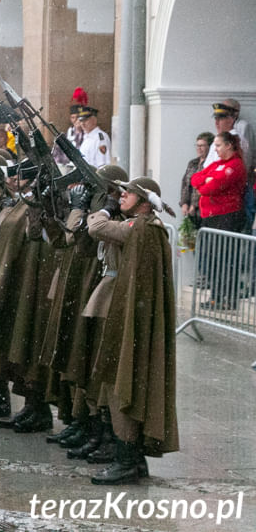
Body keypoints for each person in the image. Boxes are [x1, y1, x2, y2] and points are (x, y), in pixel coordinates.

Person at [88, 176, 178, 485]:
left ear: (143, 201)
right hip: (133, 318)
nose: (122, 196)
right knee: (126, 384)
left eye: (128, 194)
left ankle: (126, 460)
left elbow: (95, 228)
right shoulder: (144, 229)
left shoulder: (140, 229)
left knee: (122, 385)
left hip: (132, 320)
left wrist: (102, 209)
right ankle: (133, 459)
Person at [190, 131, 247, 309]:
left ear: (229, 145)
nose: (215, 149)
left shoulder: (235, 165)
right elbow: (195, 178)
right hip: (211, 217)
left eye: (218, 145)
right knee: (212, 259)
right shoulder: (217, 164)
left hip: (227, 217)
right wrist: (206, 179)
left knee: (225, 259)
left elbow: (212, 187)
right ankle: (215, 296)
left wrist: (207, 182)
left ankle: (227, 298)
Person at [179, 132, 213, 224]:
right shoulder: (192, 163)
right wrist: (184, 203)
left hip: (203, 210)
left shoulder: (210, 164)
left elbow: (205, 188)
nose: (199, 148)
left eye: (202, 146)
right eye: (197, 145)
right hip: (189, 210)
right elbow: (185, 184)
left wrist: (194, 205)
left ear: (209, 147)